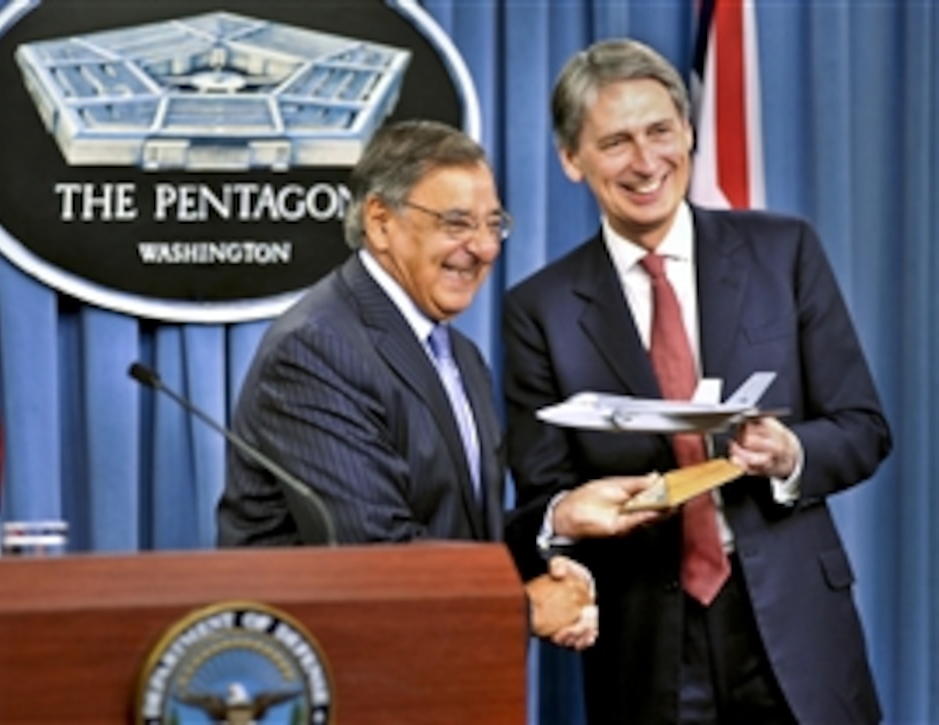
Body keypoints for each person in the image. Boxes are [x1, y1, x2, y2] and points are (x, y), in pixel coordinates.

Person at [503, 39, 892, 724]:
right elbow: (544, 494)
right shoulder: (541, 308)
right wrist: (573, 516)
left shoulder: (784, 251)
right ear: (572, 159)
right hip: (644, 641)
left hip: (797, 626)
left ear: (688, 131)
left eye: (660, 131)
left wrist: (790, 454)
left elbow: (863, 427)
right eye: (616, 141)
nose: (646, 161)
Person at [217, 119, 654, 649]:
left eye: (494, 225)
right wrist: (524, 607)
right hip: (350, 680)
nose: (485, 248)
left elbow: (460, 533)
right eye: (457, 224)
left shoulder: (460, 355)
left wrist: (558, 519)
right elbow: (374, 558)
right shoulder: (316, 349)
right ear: (381, 222)